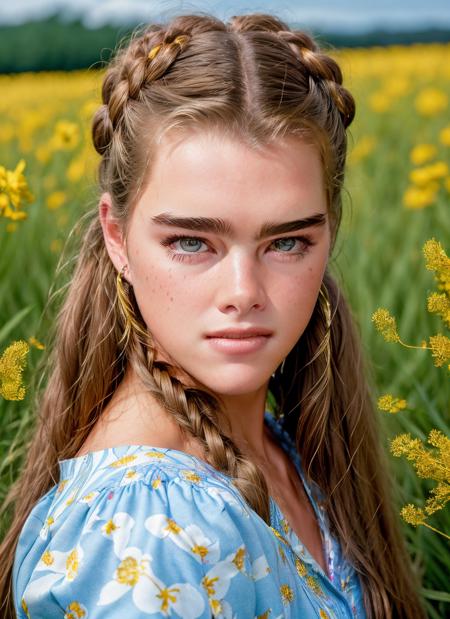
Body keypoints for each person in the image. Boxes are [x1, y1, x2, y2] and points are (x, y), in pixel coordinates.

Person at [0, 12, 426, 619]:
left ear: (329, 233)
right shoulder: (144, 535)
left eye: (286, 243)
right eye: (192, 243)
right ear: (117, 238)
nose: (243, 292)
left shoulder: (284, 445)